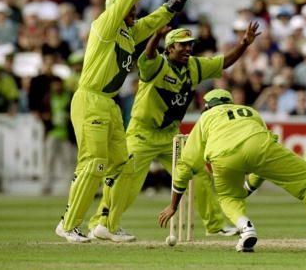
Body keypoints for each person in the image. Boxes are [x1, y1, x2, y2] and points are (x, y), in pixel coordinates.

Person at [55, 0, 201, 243]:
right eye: (130, 9)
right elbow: (125, 0)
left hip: (108, 103)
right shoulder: (105, 28)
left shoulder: (127, 34)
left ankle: (106, 224)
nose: (135, 14)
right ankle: (68, 225)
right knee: (93, 162)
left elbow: (154, 21)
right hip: (89, 100)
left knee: (124, 164)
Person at [87, 21, 261, 241]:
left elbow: (224, 62)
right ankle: (101, 224)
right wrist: (156, 36)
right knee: (126, 179)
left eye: (190, 45)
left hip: (171, 136)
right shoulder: (156, 65)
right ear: (169, 48)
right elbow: (149, 55)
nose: (188, 49)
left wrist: (244, 43)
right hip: (142, 133)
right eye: (182, 45)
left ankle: (215, 225)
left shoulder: (195, 67)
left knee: (199, 173)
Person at [158, 89, 306, 253]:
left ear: (207, 106)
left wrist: (173, 205)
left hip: (223, 157)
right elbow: (260, 164)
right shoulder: (250, 112)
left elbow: (186, 165)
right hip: (260, 146)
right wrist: (249, 188)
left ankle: (245, 227)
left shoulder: (205, 118)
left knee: (229, 197)